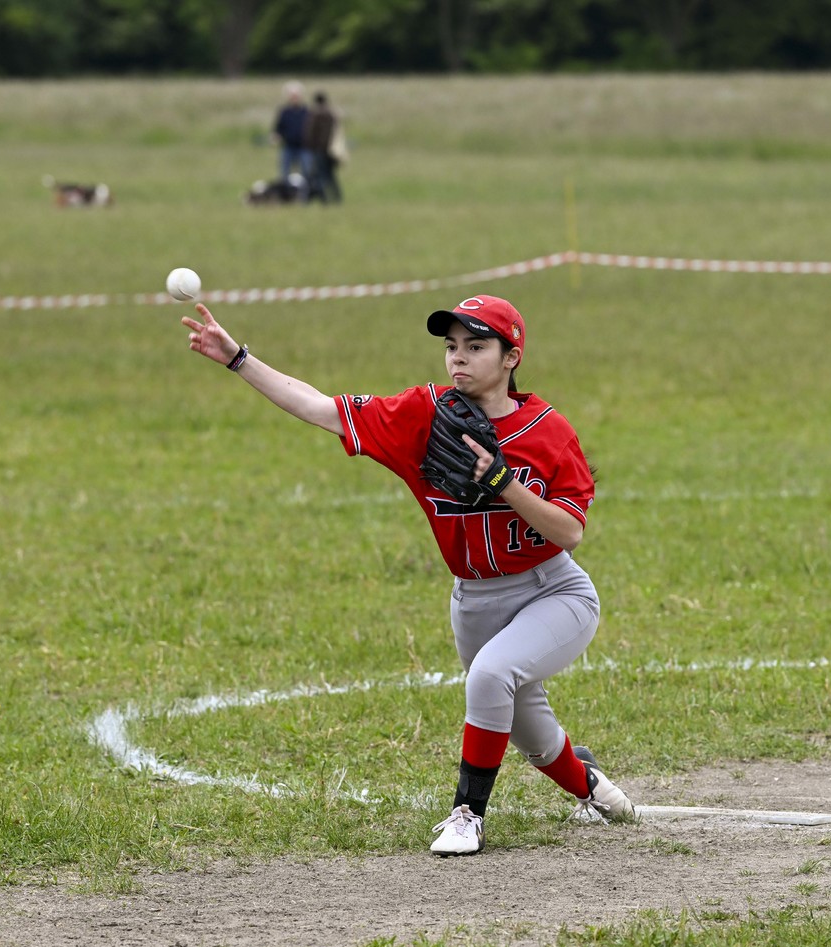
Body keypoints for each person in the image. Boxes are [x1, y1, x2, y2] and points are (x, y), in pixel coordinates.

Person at [178, 295, 635, 856]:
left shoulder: (548, 430)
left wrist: (502, 484)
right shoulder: (423, 414)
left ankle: (467, 814)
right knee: (531, 731)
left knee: (489, 677)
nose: (458, 359)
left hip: (553, 591)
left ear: (512, 356)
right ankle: (597, 791)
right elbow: (322, 408)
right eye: (450, 347)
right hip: (473, 602)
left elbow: (569, 534)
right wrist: (238, 359)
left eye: (476, 346)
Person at [301, 91, 342, 205]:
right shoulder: (332, 114)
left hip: (320, 150)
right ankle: (337, 198)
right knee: (330, 175)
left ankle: (324, 199)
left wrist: (312, 146)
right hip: (330, 151)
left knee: (320, 176)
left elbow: (312, 133)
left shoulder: (317, 115)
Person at [271, 81, 308, 189]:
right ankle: (285, 193)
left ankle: (304, 194)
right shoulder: (284, 112)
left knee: (306, 172)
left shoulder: (306, 111)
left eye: (296, 95)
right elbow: (279, 127)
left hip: (304, 147)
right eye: (292, 96)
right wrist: (276, 136)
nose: (294, 98)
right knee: (284, 172)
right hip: (288, 146)